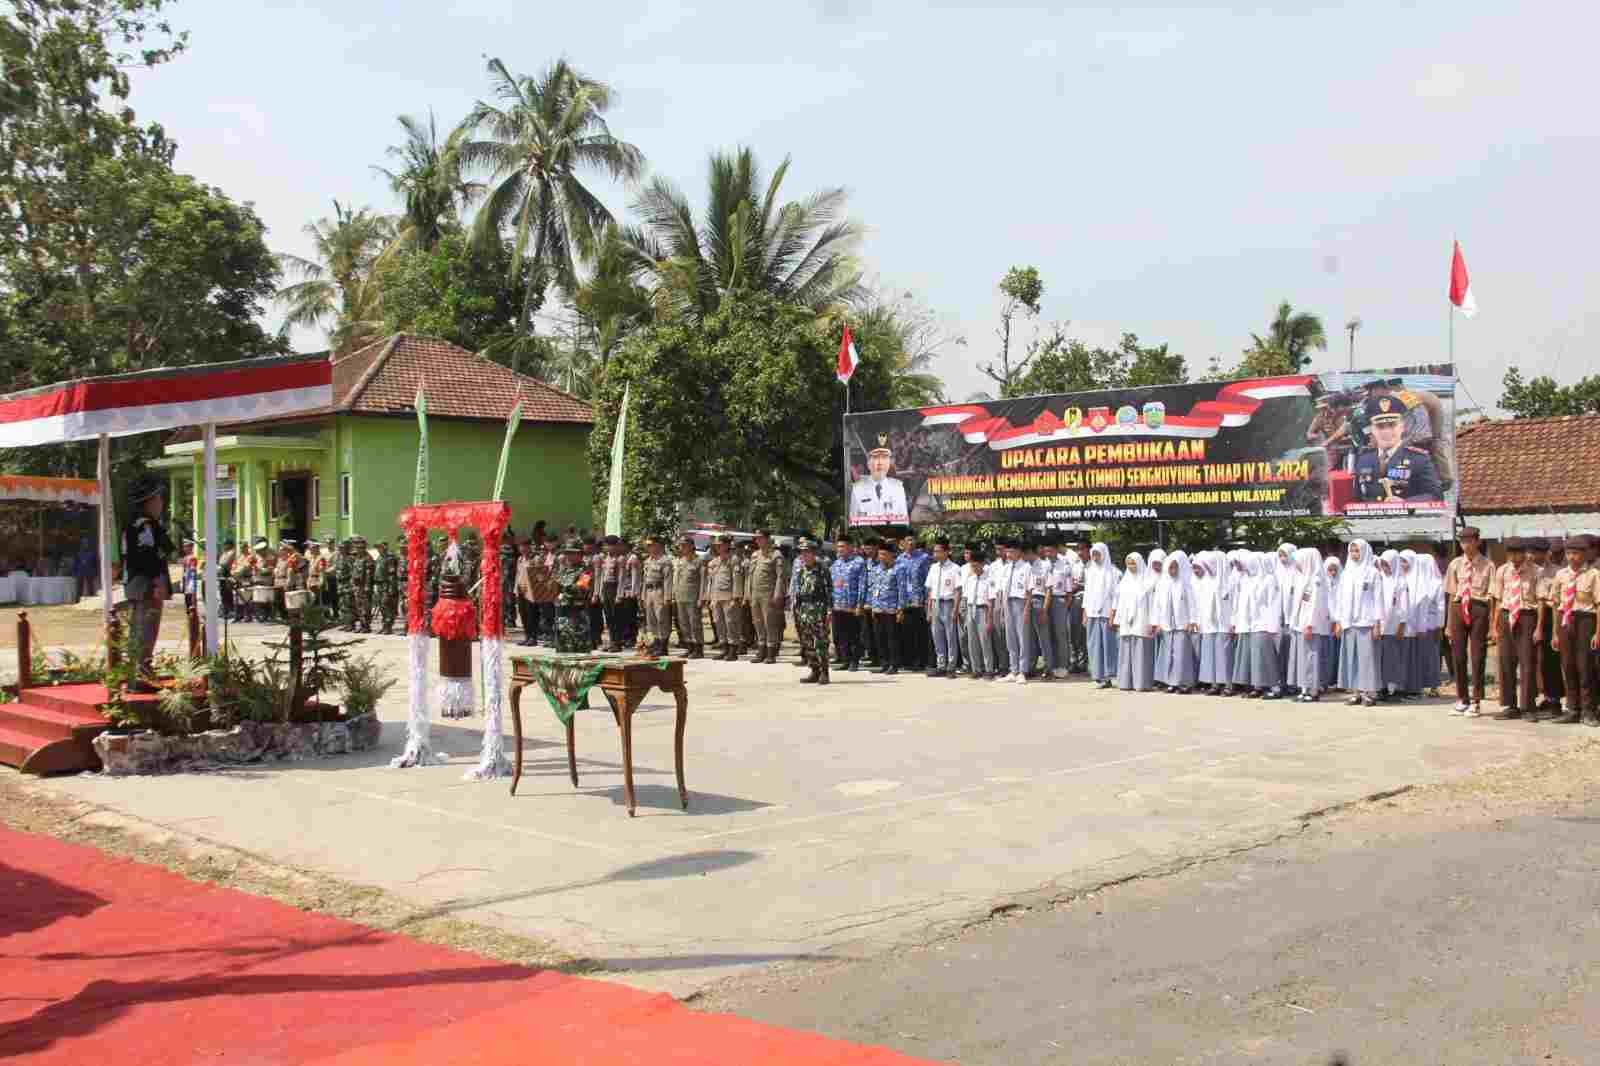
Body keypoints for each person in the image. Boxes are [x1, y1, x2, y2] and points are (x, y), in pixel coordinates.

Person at [121, 476, 175, 684]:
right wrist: (157, 582)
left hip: (136, 583)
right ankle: (142, 670)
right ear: (149, 501)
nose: (161, 504)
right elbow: (148, 556)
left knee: (139, 627)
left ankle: (137, 668)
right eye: (158, 499)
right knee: (146, 628)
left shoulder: (133, 524)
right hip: (147, 585)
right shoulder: (146, 526)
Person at [1353, 395, 1443, 504]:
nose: (1386, 431)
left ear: (1402, 427)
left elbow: (1435, 495)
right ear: (1372, 430)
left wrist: (1405, 503)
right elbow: (1357, 499)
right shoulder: (1363, 460)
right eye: (1380, 426)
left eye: (1392, 425)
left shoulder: (1419, 459)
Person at [1444, 526, 1494, 715]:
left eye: (1469, 540)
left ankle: (1476, 700)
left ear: (1477, 541)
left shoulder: (1488, 565)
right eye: (1462, 541)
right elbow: (1450, 595)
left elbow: (1492, 597)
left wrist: (1491, 624)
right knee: (1458, 655)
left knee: (1477, 655)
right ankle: (1462, 698)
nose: (1466, 544)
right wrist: (1448, 624)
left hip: (1479, 607)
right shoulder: (1455, 564)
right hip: (1458, 608)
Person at [1551, 535, 1599, 725]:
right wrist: (1555, 632)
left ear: (1584, 554)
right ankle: (1573, 709)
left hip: (1586, 620)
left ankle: (1589, 710)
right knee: (1568, 665)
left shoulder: (1594, 574)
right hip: (1565, 620)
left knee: (1585, 666)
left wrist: (1598, 632)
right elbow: (1555, 604)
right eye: (1569, 553)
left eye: (1576, 553)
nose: (1572, 557)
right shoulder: (1561, 575)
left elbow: (1598, 603)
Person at [1490, 539, 1540, 719]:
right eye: (1510, 553)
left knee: (1527, 662)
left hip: (1527, 616)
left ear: (1524, 553)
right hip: (1506, 615)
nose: (1514, 557)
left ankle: (1528, 707)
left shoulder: (1535, 571)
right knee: (1506, 661)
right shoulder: (1502, 571)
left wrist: (1539, 627)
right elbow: (1497, 599)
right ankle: (1510, 705)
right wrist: (1494, 626)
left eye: (1517, 553)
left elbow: (1540, 602)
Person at [1334, 539, 1381, 707]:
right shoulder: (1346, 573)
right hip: (1349, 623)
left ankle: (1370, 693)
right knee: (1351, 658)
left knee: (1367, 659)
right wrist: (1339, 621)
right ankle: (1356, 692)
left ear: (1364, 552)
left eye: (1357, 551)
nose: (1354, 554)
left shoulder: (1372, 573)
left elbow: (1378, 599)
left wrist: (1377, 623)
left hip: (1366, 622)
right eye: (1352, 551)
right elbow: (1339, 599)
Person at [1292, 547, 1330, 703]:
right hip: (1302, 624)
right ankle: (1304, 689)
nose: (1297, 565)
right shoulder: (1304, 578)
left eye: (1299, 562)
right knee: (1304, 659)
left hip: (1310, 626)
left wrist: (1309, 625)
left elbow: (1315, 606)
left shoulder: (1316, 581)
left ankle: (1313, 691)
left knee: (1311, 658)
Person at [1111, 552, 1153, 691]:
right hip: (1126, 622)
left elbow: (1152, 604)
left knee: (1140, 652)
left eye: (1133, 563)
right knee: (1126, 651)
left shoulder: (1147, 582)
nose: (1131, 566)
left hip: (1142, 619)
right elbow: (1118, 602)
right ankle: (1125, 682)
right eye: (1128, 563)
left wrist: (1152, 622)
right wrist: (1116, 619)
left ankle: (1141, 683)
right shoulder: (1125, 581)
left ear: (1139, 563)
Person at [792, 539, 833, 685]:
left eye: (806, 552)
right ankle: (814, 670)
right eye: (802, 553)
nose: (803, 555)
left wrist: (829, 610)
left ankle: (824, 672)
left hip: (818, 610)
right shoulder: (801, 570)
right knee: (807, 643)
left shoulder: (822, 569)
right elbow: (799, 590)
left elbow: (829, 591)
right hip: (804, 610)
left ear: (813, 553)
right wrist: (797, 608)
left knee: (821, 642)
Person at [746, 530, 787, 664]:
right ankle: (761, 650)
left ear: (768, 539)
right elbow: (750, 576)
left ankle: (771, 652)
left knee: (770, 623)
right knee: (757, 622)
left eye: (760, 538)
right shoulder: (755, 555)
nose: (758, 541)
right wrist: (748, 593)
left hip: (768, 594)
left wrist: (778, 594)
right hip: (755, 594)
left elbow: (781, 576)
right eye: (756, 539)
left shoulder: (776, 555)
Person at [1082, 543, 1120, 687]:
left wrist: (1112, 614)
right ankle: (1098, 675)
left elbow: (1116, 596)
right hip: (1092, 613)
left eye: (1098, 554)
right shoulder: (1090, 571)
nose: (1095, 557)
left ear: (1104, 554)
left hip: (1106, 613)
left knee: (1108, 645)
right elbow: (1087, 593)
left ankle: (1109, 675)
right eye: (1094, 554)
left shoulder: (1113, 572)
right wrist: (1084, 612)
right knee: (1093, 645)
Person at [923, 538, 962, 677]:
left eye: (938, 551)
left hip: (948, 603)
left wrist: (955, 609)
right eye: (934, 551)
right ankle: (941, 665)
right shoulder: (933, 567)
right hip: (935, 603)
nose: (935, 554)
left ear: (946, 552)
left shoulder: (955, 568)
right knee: (937, 636)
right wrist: (929, 610)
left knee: (950, 636)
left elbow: (958, 590)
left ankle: (951, 666)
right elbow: (930, 591)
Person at [958, 550, 998, 680]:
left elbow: (991, 600)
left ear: (981, 564)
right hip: (971, 609)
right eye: (971, 566)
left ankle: (989, 669)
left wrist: (989, 617)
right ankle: (976, 669)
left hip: (983, 609)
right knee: (972, 641)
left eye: (975, 565)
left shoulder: (989, 578)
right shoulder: (971, 578)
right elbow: (966, 597)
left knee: (985, 641)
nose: (973, 568)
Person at [848, 438, 909, 524]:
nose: (880, 462)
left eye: (884, 457)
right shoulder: (858, 489)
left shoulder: (898, 488)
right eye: (876, 457)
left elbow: (903, 523)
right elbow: (853, 521)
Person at [1195, 551, 1231, 694]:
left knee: (1224, 656)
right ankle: (1214, 684)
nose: (1208, 568)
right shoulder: (1206, 582)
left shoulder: (1228, 582)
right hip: (1209, 624)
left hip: (1224, 624)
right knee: (1210, 656)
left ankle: (1228, 685)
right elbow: (1200, 604)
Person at [1376, 550, 1410, 700]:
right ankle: (1383, 688)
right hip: (1381, 625)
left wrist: (1402, 625)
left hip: (1394, 626)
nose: (1384, 567)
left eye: (1387, 564)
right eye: (1382, 564)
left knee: (1394, 659)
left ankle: (1396, 690)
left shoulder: (1401, 582)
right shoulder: (1380, 579)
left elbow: (1404, 606)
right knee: (1382, 659)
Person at [1165, 551, 1200, 693]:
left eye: (1174, 568)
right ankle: (1173, 681)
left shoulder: (1186, 583)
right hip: (1171, 625)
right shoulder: (1168, 584)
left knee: (1182, 655)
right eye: (1170, 568)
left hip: (1183, 624)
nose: (1172, 571)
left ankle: (1185, 683)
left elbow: (1192, 604)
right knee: (1172, 654)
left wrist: (1191, 621)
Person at [830, 535, 866, 671]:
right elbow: (832, 585)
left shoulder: (858, 562)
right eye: (838, 546)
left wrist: (859, 604)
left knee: (854, 635)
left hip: (852, 606)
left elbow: (863, 585)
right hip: (838, 605)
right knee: (840, 635)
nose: (840, 549)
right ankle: (845, 660)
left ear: (850, 547)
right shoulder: (836, 563)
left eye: (842, 546)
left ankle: (854, 661)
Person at [866, 540, 901, 674]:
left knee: (892, 638)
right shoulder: (876, 570)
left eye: (884, 554)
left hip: (891, 609)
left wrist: (900, 609)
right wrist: (873, 606)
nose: (881, 557)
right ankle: (884, 662)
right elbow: (872, 588)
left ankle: (894, 663)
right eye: (880, 555)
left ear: (891, 555)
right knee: (880, 638)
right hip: (878, 608)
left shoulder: (898, 569)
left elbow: (901, 590)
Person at [552, 539, 593, 653]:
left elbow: (582, 589)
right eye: (567, 553)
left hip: (577, 615)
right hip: (562, 614)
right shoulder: (563, 571)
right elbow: (556, 590)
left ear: (580, 554)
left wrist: (563, 586)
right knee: (563, 646)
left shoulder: (586, 571)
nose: (569, 556)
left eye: (572, 553)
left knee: (579, 649)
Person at [705, 536, 741, 661]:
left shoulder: (733, 560)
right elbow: (711, 581)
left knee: (730, 623)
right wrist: (709, 597)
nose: (718, 547)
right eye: (716, 545)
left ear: (727, 545)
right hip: (716, 597)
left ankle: (733, 650)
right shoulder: (714, 562)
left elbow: (736, 580)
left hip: (728, 596)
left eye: (720, 545)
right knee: (719, 623)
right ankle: (724, 648)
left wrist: (736, 597)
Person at [670, 536, 705, 659]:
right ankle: (689, 647)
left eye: (684, 545)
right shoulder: (680, 561)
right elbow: (676, 580)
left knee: (695, 623)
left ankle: (698, 648)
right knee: (684, 623)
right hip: (680, 596)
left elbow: (703, 581)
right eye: (681, 545)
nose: (682, 548)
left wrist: (702, 597)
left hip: (693, 597)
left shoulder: (698, 561)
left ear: (691, 546)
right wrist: (673, 595)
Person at [639, 537, 673, 656]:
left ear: (658, 546)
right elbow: (645, 580)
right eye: (648, 546)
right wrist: (643, 596)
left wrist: (668, 596)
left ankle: (663, 645)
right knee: (651, 619)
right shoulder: (647, 561)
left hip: (660, 591)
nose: (649, 548)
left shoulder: (665, 561)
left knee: (661, 618)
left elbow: (668, 580)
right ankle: (655, 642)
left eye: (651, 545)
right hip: (649, 591)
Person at [376, 540, 400, 634]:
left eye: (380, 547)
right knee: (382, 606)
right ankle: (384, 625)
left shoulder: (389, 558)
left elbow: (391, 574)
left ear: (384, 547)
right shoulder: (379, 558)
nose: (378, 549)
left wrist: (391, 587)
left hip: (387, 584)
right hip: (380, 585)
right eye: (377, 547)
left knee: (387, 605)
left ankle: (388, 626)